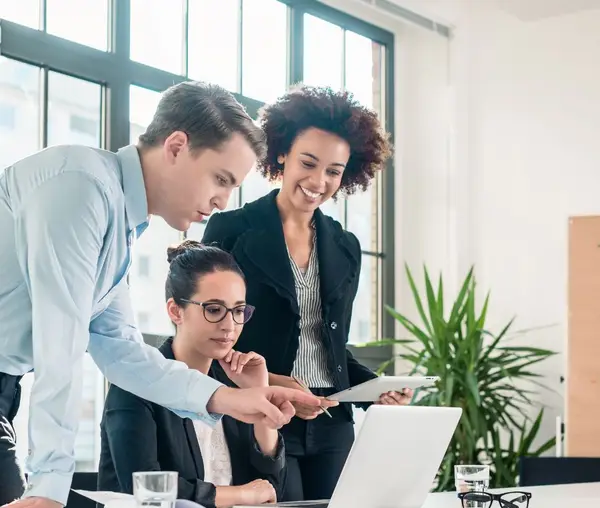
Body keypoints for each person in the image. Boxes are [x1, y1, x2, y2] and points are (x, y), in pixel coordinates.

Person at [0, 81, 319, 508]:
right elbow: (60, 343)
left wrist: (232, 400)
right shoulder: (80, 187)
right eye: (220, 179)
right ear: (176, 146)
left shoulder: (118, 221)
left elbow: (124, 354)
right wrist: (48, 486)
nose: (223, 201)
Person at [202, 85, 414, 502]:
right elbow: (211, 337)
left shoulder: (345, 246)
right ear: (281, 154)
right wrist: (278, 384)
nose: (319, 181)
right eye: (308, 162)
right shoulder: (230, 231)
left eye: (334, 171)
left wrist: (374, 388)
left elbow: (332, 347)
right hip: (261, 413)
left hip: (332, 423)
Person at [99, 241, 286, 508]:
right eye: (213, 310)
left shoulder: (233, 383)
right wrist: (241, 495)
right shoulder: (136, 382)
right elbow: (145, 490)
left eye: (238, 311)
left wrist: (260, 395)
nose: (229, 326)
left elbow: (271, 488)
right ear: (176, 311)